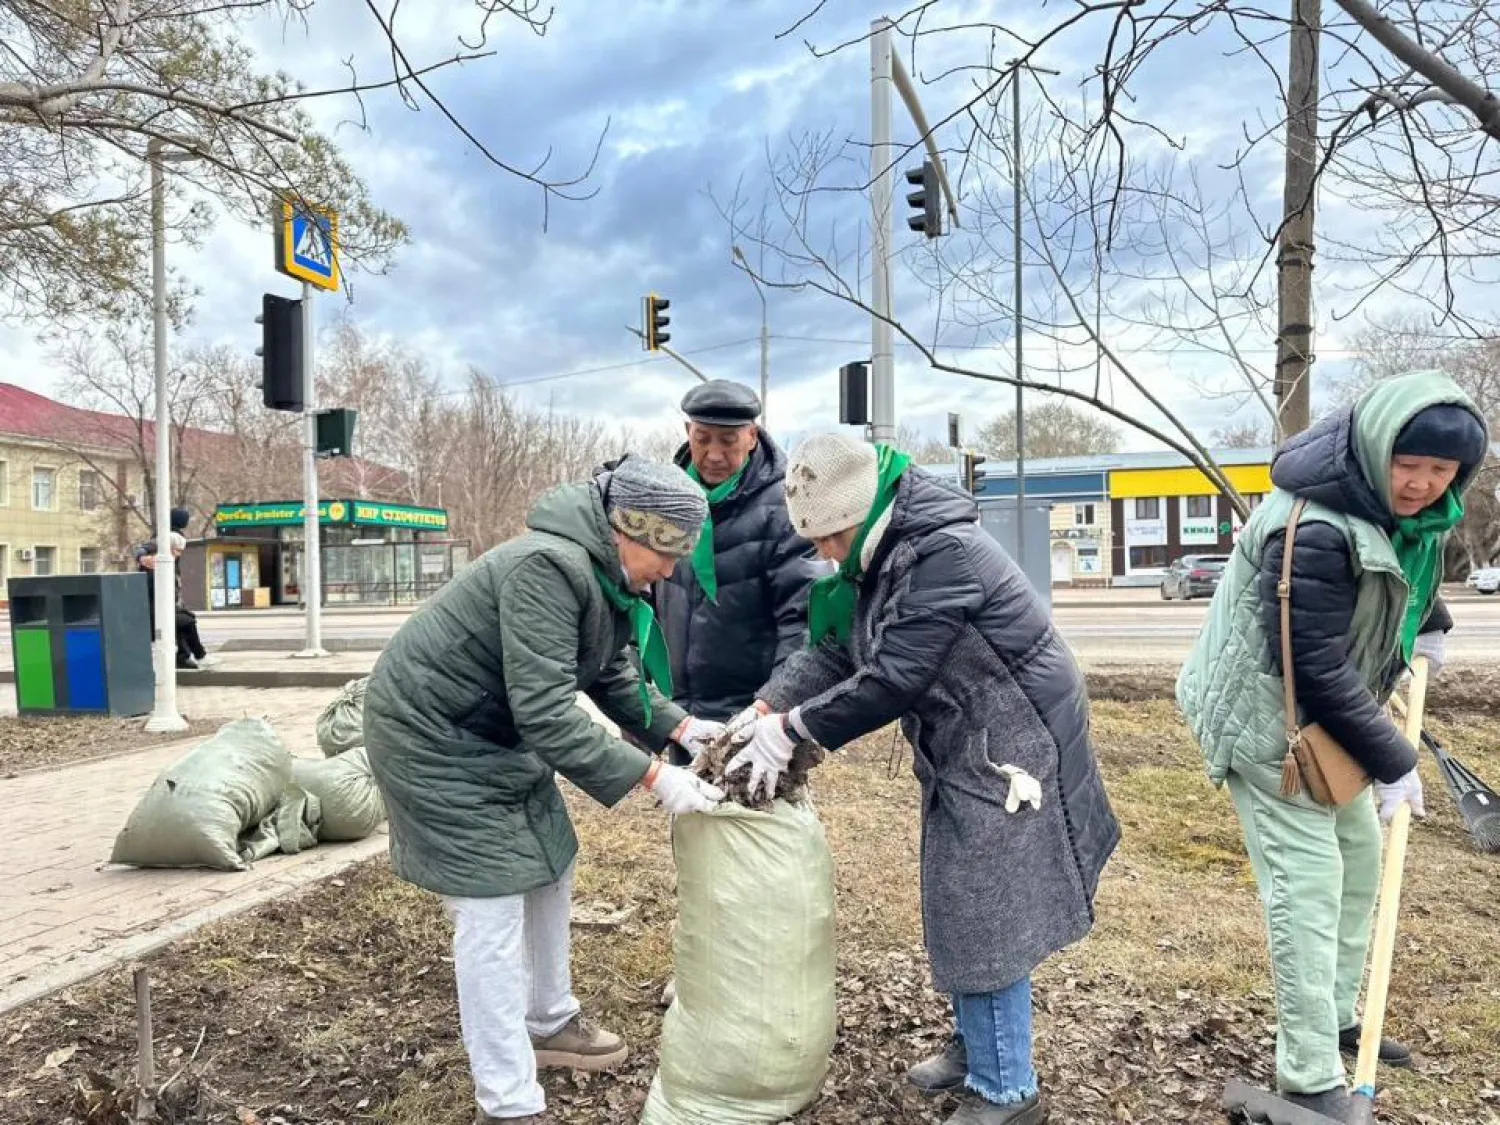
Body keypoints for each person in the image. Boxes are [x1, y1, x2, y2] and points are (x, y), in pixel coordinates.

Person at [723, 434, 1120, 1125]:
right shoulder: (883, 553)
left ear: (859, 510)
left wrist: (792, 732)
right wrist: (767, 704)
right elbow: (839, 649)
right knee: (956, 888)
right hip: (966, 736)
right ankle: (978, 1046)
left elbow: (893, 678)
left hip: (1016, 734)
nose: (825, 553)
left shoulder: (942, 554)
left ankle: (1007, 1090)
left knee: (989, 904)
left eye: (829, 537)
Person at [363, 456, 728, 1125]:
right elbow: (549, 713)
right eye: (667, 553)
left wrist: (685, 729)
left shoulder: (605, 578)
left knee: (550, 861)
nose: (672, 571)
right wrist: (653, 776)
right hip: (430, 734)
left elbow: (616, 679)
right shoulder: (547, 567)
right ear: (628, 531)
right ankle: (507, 1099)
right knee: (490, 906)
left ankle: (549, 1018)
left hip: (492, 732)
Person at [1176, 372, 1490, 1123]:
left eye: (1440, 471)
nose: (1419, 484)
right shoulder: (1312, 525)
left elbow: (1392, 564)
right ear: (1377, 447)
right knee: (1307, 887)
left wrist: (1430, 614)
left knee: (1359, 862)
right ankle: (1309, 1073)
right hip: (1268, 723)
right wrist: (1394, 758)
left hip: (1324, 719)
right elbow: (1311, 664)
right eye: (1407, 464)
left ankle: (1339, 1017)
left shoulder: (1396, 512)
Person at [653, 378, 823, 751]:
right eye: (702, 438)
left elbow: (804, 622)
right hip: (681, 714)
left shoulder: (786, 507)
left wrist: (773, 709)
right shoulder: (666, 501)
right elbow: (641, 608)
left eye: (728, 441)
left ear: (751, 435)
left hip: (754, 712)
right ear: (687, 432)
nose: (714, 454)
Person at [134, 509, 219, 670]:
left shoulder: (166, 550)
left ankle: (184, 656)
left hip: (161, 607)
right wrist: (142, 557)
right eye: (177, 550)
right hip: (154, 611)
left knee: (183, 620)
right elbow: (144, 551)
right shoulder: (162, 548)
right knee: (186, 621)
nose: (179, 554)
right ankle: (196, 656)